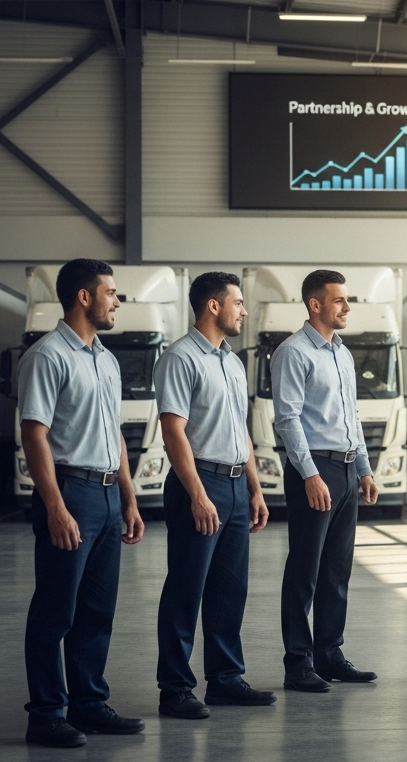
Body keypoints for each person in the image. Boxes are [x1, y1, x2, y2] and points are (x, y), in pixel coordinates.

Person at [19, 259, 147, 749]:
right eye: (111, 293)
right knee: (56, 610)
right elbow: (35, 433)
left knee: (97, 610)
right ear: (84, 297)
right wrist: (54, 506)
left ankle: (88, 703)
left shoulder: (106, 359)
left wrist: (129, 497)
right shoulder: (47, 356)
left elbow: (113, 432)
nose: (117, 301)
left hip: (108, 496)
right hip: (70, 491)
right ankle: (47, 714)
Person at [154, 272, 276, 720]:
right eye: (238, 303)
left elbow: (238, 428)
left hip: (234, 485)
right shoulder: (180, 358)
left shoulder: (232, 361)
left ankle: (225, 679)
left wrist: (254, 486)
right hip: (198, 484)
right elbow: (173, 431)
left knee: (230, 589)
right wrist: (198, 495)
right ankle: (175, 688)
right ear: (212, 306)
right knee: (187, 587)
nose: (243, 310)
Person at [272, 269, 380, 693]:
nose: (347, 307)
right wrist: (310, 474)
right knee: (305, 568)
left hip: (347, 467)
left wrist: (365, 468)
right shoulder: (293, 352)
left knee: (337, 569)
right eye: (339, 300)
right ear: (315, 304)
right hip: (315, 468)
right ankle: (298, 662)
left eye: (347, 300)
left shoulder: (342, 353)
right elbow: (287, 418)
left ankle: (329, 654)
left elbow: (350, 415)